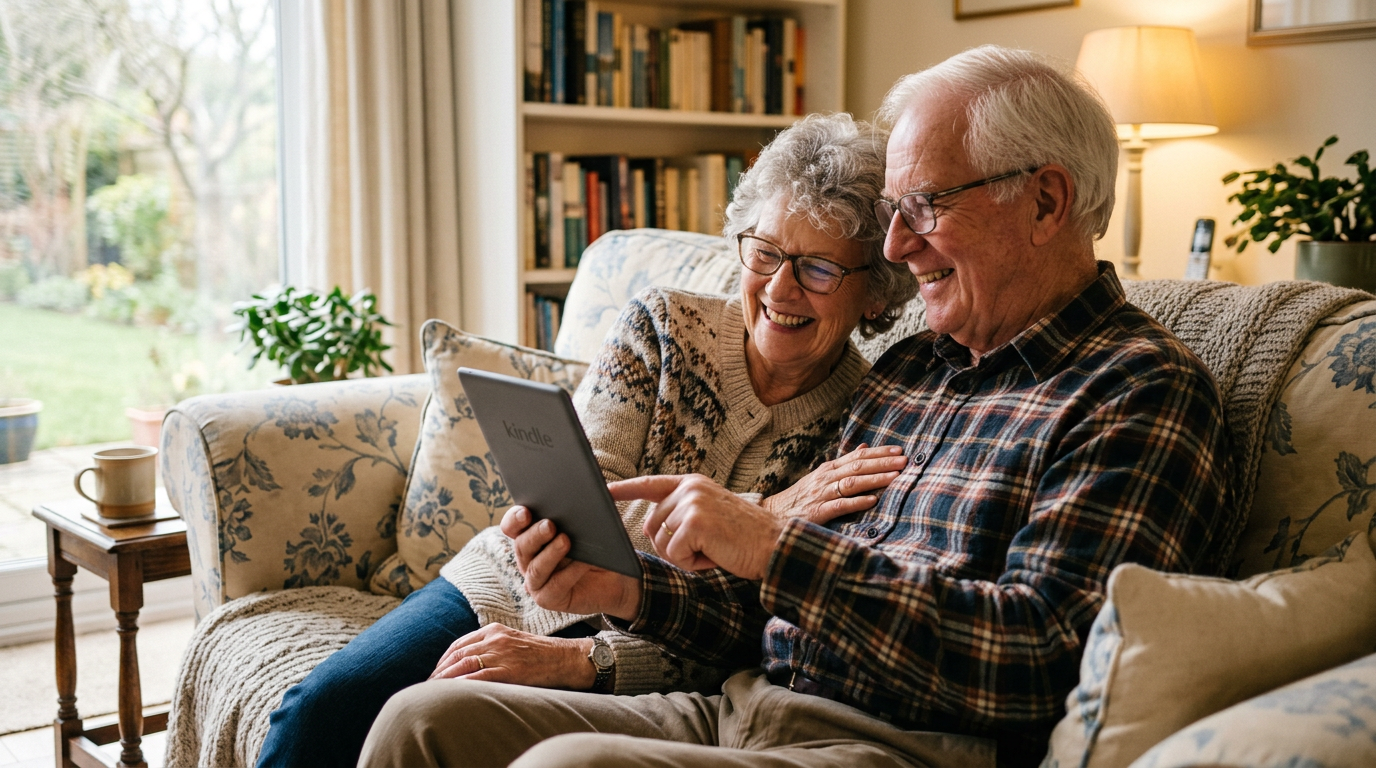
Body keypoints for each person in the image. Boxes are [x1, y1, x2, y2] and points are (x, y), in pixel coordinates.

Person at [357, 46, 1237, 768]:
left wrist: (775, 544)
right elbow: (766, 614)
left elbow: (1042, 658)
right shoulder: (911, 373)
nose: (896, 245)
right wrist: (626, 589)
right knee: (421, 722)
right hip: (744, 708)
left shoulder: (1136, 394)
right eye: (895, 212)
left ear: (1046, 201)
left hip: (893, 749)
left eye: (923, 206)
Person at [254, 112, 917, 768]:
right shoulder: (663, 325)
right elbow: (580, 502)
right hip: (510, 583)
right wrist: (760, 517)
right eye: (765, 251)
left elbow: (755, 622)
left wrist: (591, 660)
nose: (779, 288)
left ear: (876, 294)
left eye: (819, 269)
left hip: (652, 656)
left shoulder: (868, 423)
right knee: (323, 711)